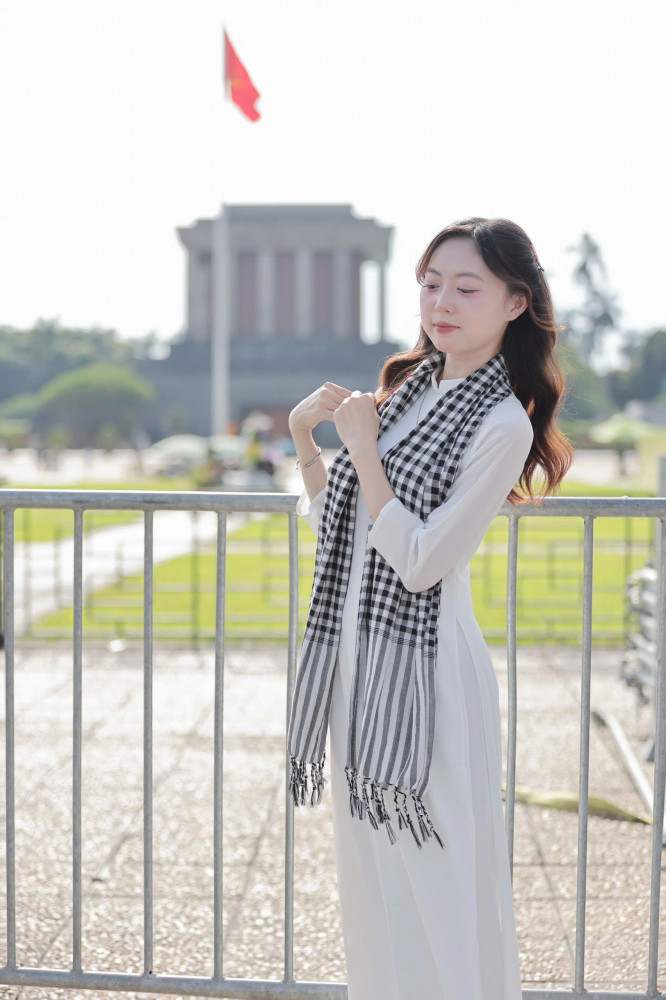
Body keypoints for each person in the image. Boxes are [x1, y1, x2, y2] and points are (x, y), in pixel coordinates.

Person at [287, 217, 573, 1000]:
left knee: (441, 895)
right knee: (375, 899)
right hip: (360, 675)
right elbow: (343, 525)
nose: (441, 302)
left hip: (428, 683)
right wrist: (307, 440)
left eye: (466, 288)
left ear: (515, 302)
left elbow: (418, 562)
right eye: (431, 283)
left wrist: (363, 450)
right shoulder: (407, 394)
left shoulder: (501, 423)